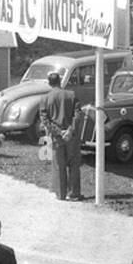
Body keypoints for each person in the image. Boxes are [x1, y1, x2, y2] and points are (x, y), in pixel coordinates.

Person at [39, 69, 82, 201]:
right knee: (74, 164)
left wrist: (58, 131)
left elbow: (45, 120)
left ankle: (61, 194)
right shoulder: (71, 95)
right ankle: (74, 193)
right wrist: (70, 129)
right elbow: (78, 114)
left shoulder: (45, 98)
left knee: (59, 165)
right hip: (71, 135)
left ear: (49, 83)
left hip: (57, 137)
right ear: (60, 81)